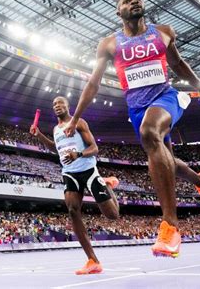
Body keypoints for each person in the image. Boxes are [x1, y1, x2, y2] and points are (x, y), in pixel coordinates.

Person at [63, 0, 200, 258]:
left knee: (150, 133)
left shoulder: (163, 32)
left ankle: (171, 228)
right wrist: (75, 118)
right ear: (118, 11)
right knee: (166, 158)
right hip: (137, 108)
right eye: (126, 0)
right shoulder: (110, 44)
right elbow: (93, 83)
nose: (134, 1)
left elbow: (179, 64)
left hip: (165, 98)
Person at [30, 96, 120, 275]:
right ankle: (92, 260)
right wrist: (39, 135)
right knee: (72, 210)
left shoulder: (79, 123)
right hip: (69, 173)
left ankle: (108, 184)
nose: (57, 106)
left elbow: (94, 148)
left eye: (60, 103)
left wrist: (78, 154)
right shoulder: (56, 129)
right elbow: (55, 149)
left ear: (67, 106)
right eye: (54, 104)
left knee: (112, 215)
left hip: (88, 170)